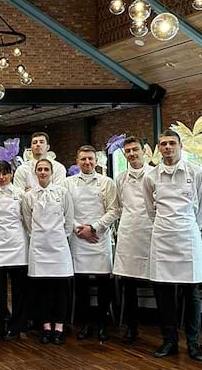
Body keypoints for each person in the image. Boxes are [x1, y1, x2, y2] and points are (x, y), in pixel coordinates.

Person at [143, 129, 202, 361]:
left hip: (187, 238)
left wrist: (188, 226)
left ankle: (193, 342)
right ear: (158, 148)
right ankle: (169, 341)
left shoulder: (197, 172)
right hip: (162, 238)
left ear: (180, 146)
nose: (168, 148)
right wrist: (166, 226)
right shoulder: (151, 177)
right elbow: (150, 210)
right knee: (163, 294)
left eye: (172, 143)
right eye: (163, 144)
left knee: (191, 293)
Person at [66, 145, 119, 341]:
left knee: (104, 283)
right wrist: (79, 229)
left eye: (90, 159)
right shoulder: (67, 183)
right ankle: (86, 323)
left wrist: (94, 228)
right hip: (78, 238)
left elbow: (114, 210)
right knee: (81, 286)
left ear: (96, 161)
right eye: (83, 159)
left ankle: (103, 323)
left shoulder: (107, 182)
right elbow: (65, 210)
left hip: (100, 238)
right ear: (77, 161)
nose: (87, 162)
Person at [21, 158, 74, 344]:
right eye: (40, 169)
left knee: (60, 290)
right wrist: (40, 236)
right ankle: (45, 327)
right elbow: (28, 222)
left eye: (46, 169)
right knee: (42, 290)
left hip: (59, 247)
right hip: (39, 247)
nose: (43, 172)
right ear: (35, 173)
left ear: (51, 172)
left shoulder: (63, 193)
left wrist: (59, 236)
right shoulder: (29, 196)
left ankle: (58, 328)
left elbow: (69, 219)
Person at [113, 136, 152, 343]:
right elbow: (119, 206)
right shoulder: (120, 178)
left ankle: (165, 330)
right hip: (129, 234)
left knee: (160, 282)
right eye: (127, 151)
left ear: (144, 151)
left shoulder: (155, 174)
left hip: (151, 232)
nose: (132, 154)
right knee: (128, 284)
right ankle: (131, 327)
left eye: (135, 149)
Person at [0, 160, 28, 340]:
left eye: (5, 173)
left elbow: (27, 219)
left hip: (18, 244)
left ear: (11, 174)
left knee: (19, 291)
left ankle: (16, 327)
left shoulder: (21, 194)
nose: (1, 177)